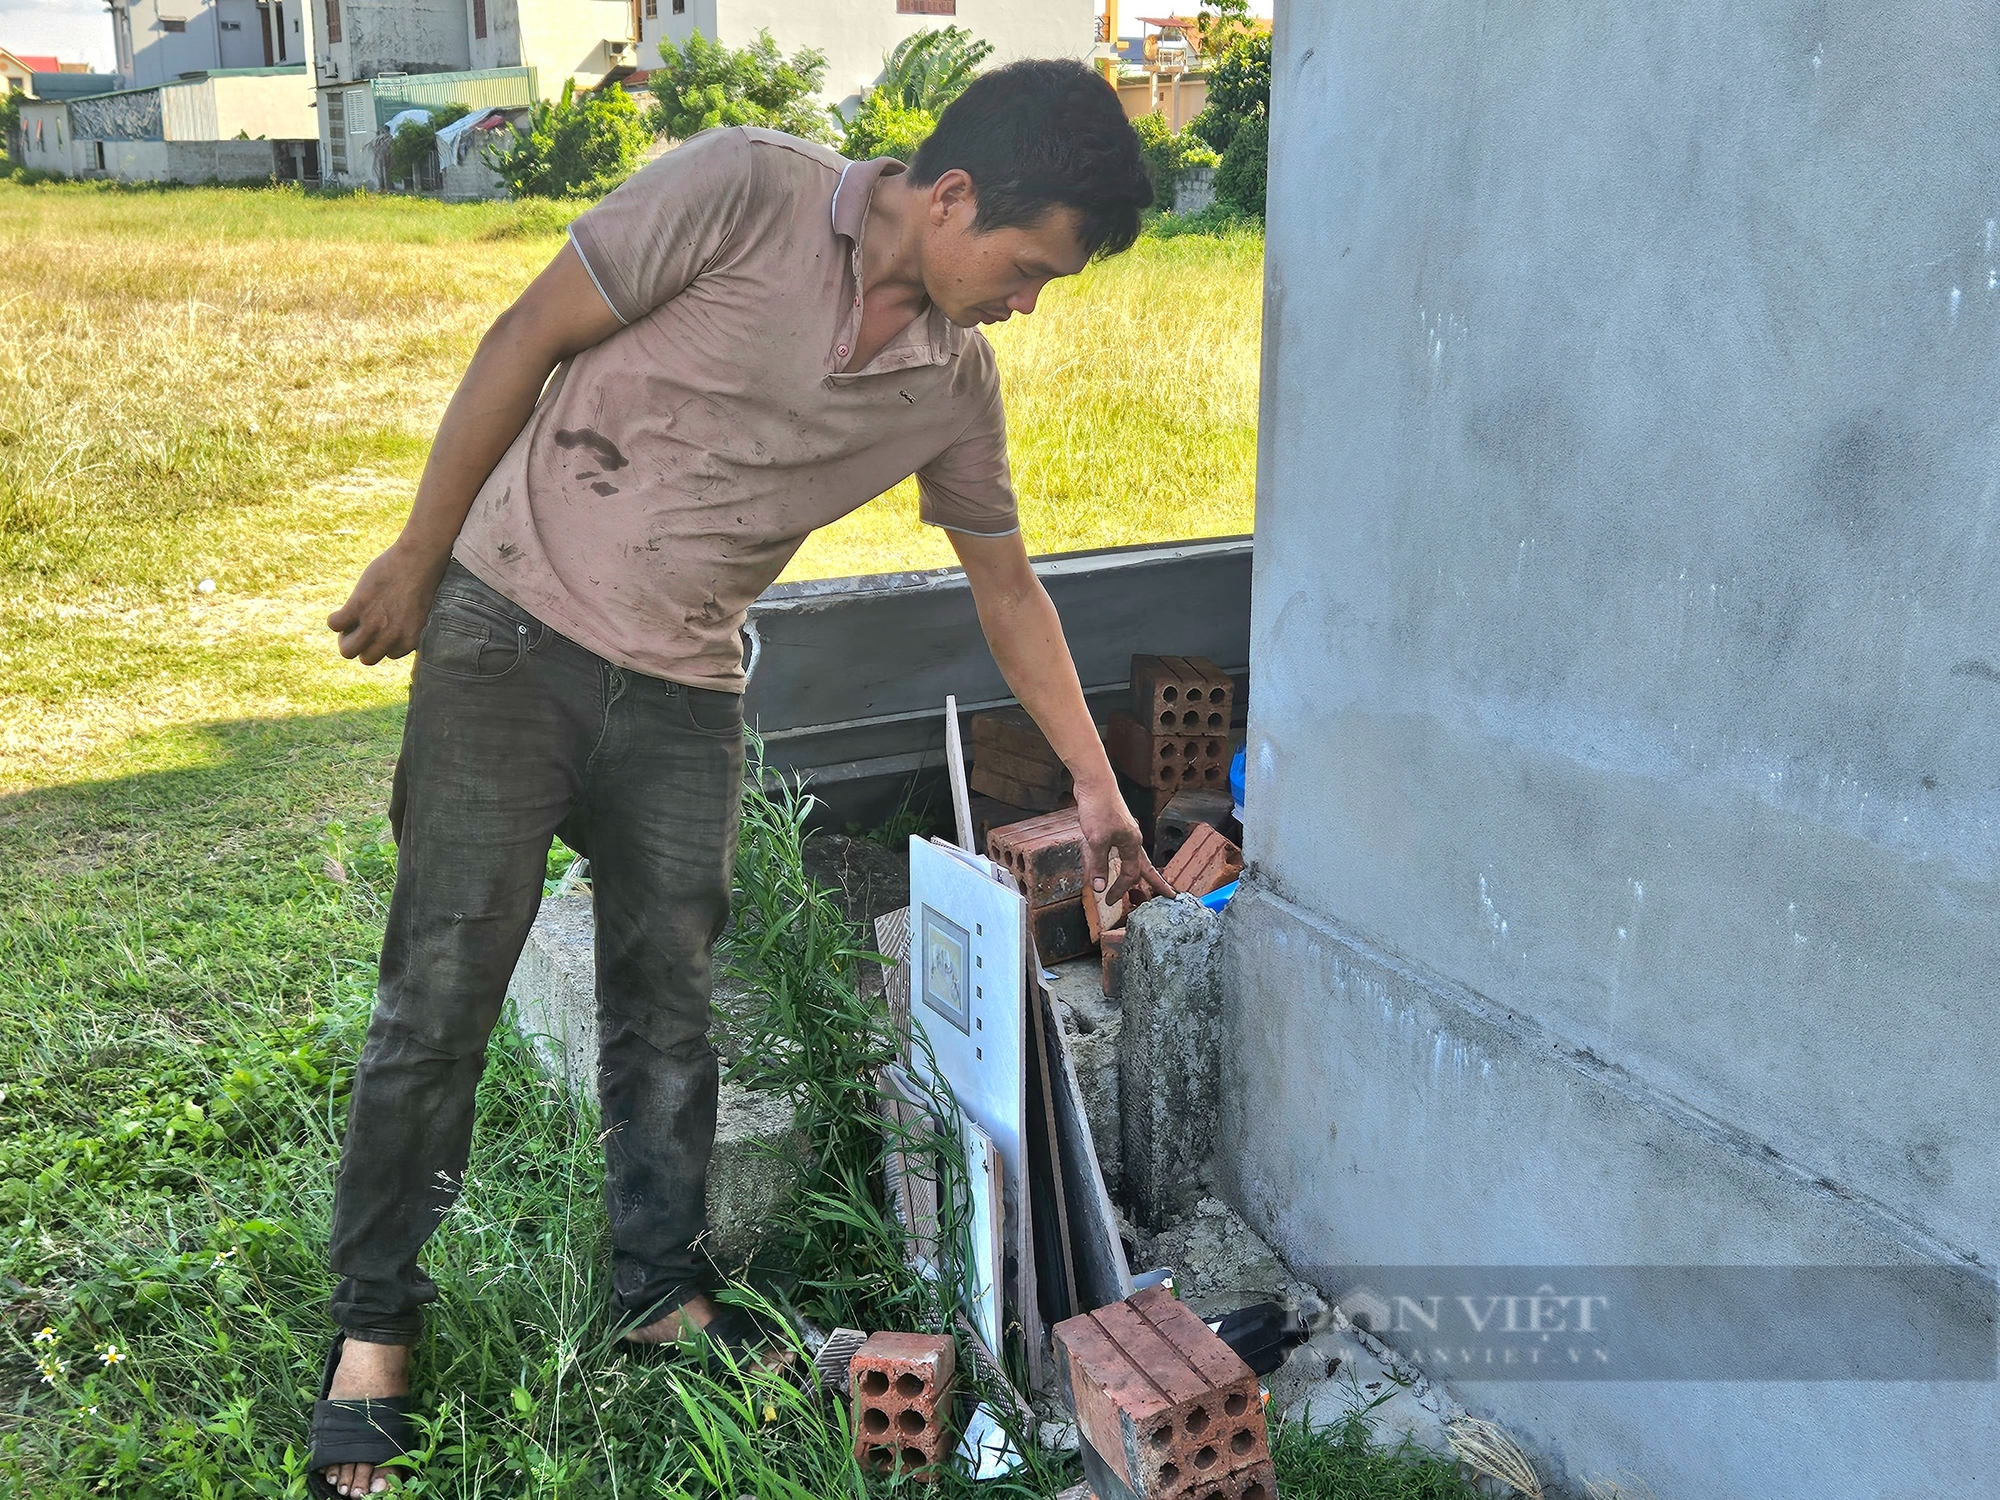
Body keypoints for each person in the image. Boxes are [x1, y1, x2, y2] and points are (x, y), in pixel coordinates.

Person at [308, 58, 1169, 1497]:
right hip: (507, 631)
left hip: (686, 694)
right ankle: (373, 1327)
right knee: (441, 992)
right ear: (951, 197)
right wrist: (415, 551)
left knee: (672, 1011)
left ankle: (657, 1298)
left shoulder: (954, 388)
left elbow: (1010, 593)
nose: (1028, 302)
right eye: (1026, 268)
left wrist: (1100, 789)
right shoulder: (738, 191)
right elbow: (527, 336)